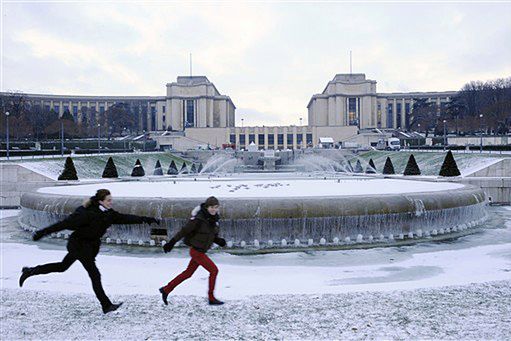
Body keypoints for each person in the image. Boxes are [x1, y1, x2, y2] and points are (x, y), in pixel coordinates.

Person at [19, 189, 160, 314]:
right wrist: (42, 233)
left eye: (111, 200)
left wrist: (146, 219)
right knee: (95, 274)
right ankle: (106, 305)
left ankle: (30, 271)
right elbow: (63, 224)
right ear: (100, 201)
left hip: (88, 246)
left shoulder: (109, 214)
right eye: (108, 200)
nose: (111, 203)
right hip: (79, 246)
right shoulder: (85, 213)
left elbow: (126, 218)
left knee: (62, 267)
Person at [159, 196, 226, 306]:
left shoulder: (214, 219)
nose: (213, 209)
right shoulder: (198, 219)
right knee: (214, 271)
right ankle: (211, 297)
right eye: (211, 207)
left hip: (200, 251)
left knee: (188, 273)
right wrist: (171, 243)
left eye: (216, 207)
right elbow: (184, 231)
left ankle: (166, 289)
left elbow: (210, 235)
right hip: (196, 252)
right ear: (206, 207)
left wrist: (219, 241)